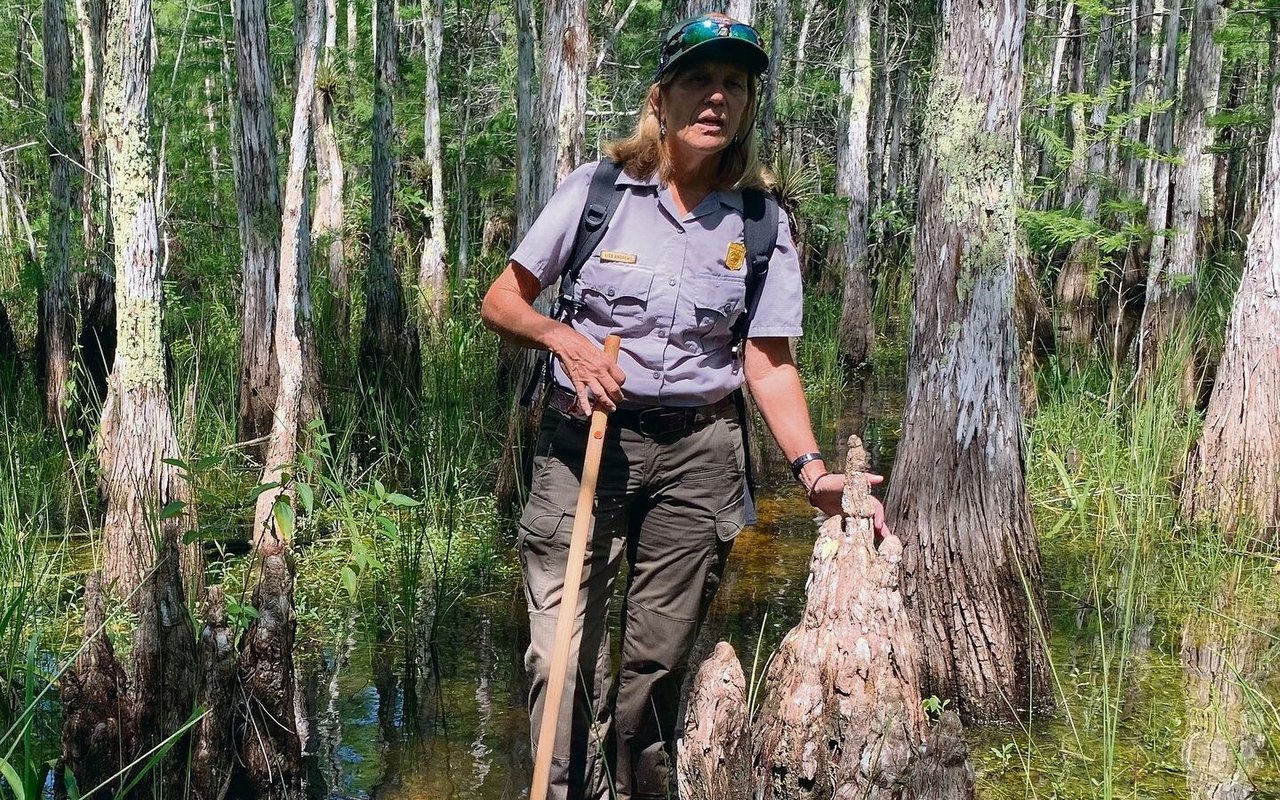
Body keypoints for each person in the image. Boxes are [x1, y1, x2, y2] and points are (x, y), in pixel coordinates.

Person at [481, 13, 887, 800]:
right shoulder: (600, 191)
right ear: (660, 99)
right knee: (560, 654)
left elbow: (767, 364)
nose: (716, 98)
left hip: (699, 455)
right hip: (583, 445)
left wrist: (812, 474)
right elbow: (502, 300)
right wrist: (564, 340)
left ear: (747, 105)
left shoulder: (762, 223)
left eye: (734, 84)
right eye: (700, 80)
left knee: (656, 664)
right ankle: (562, 789)